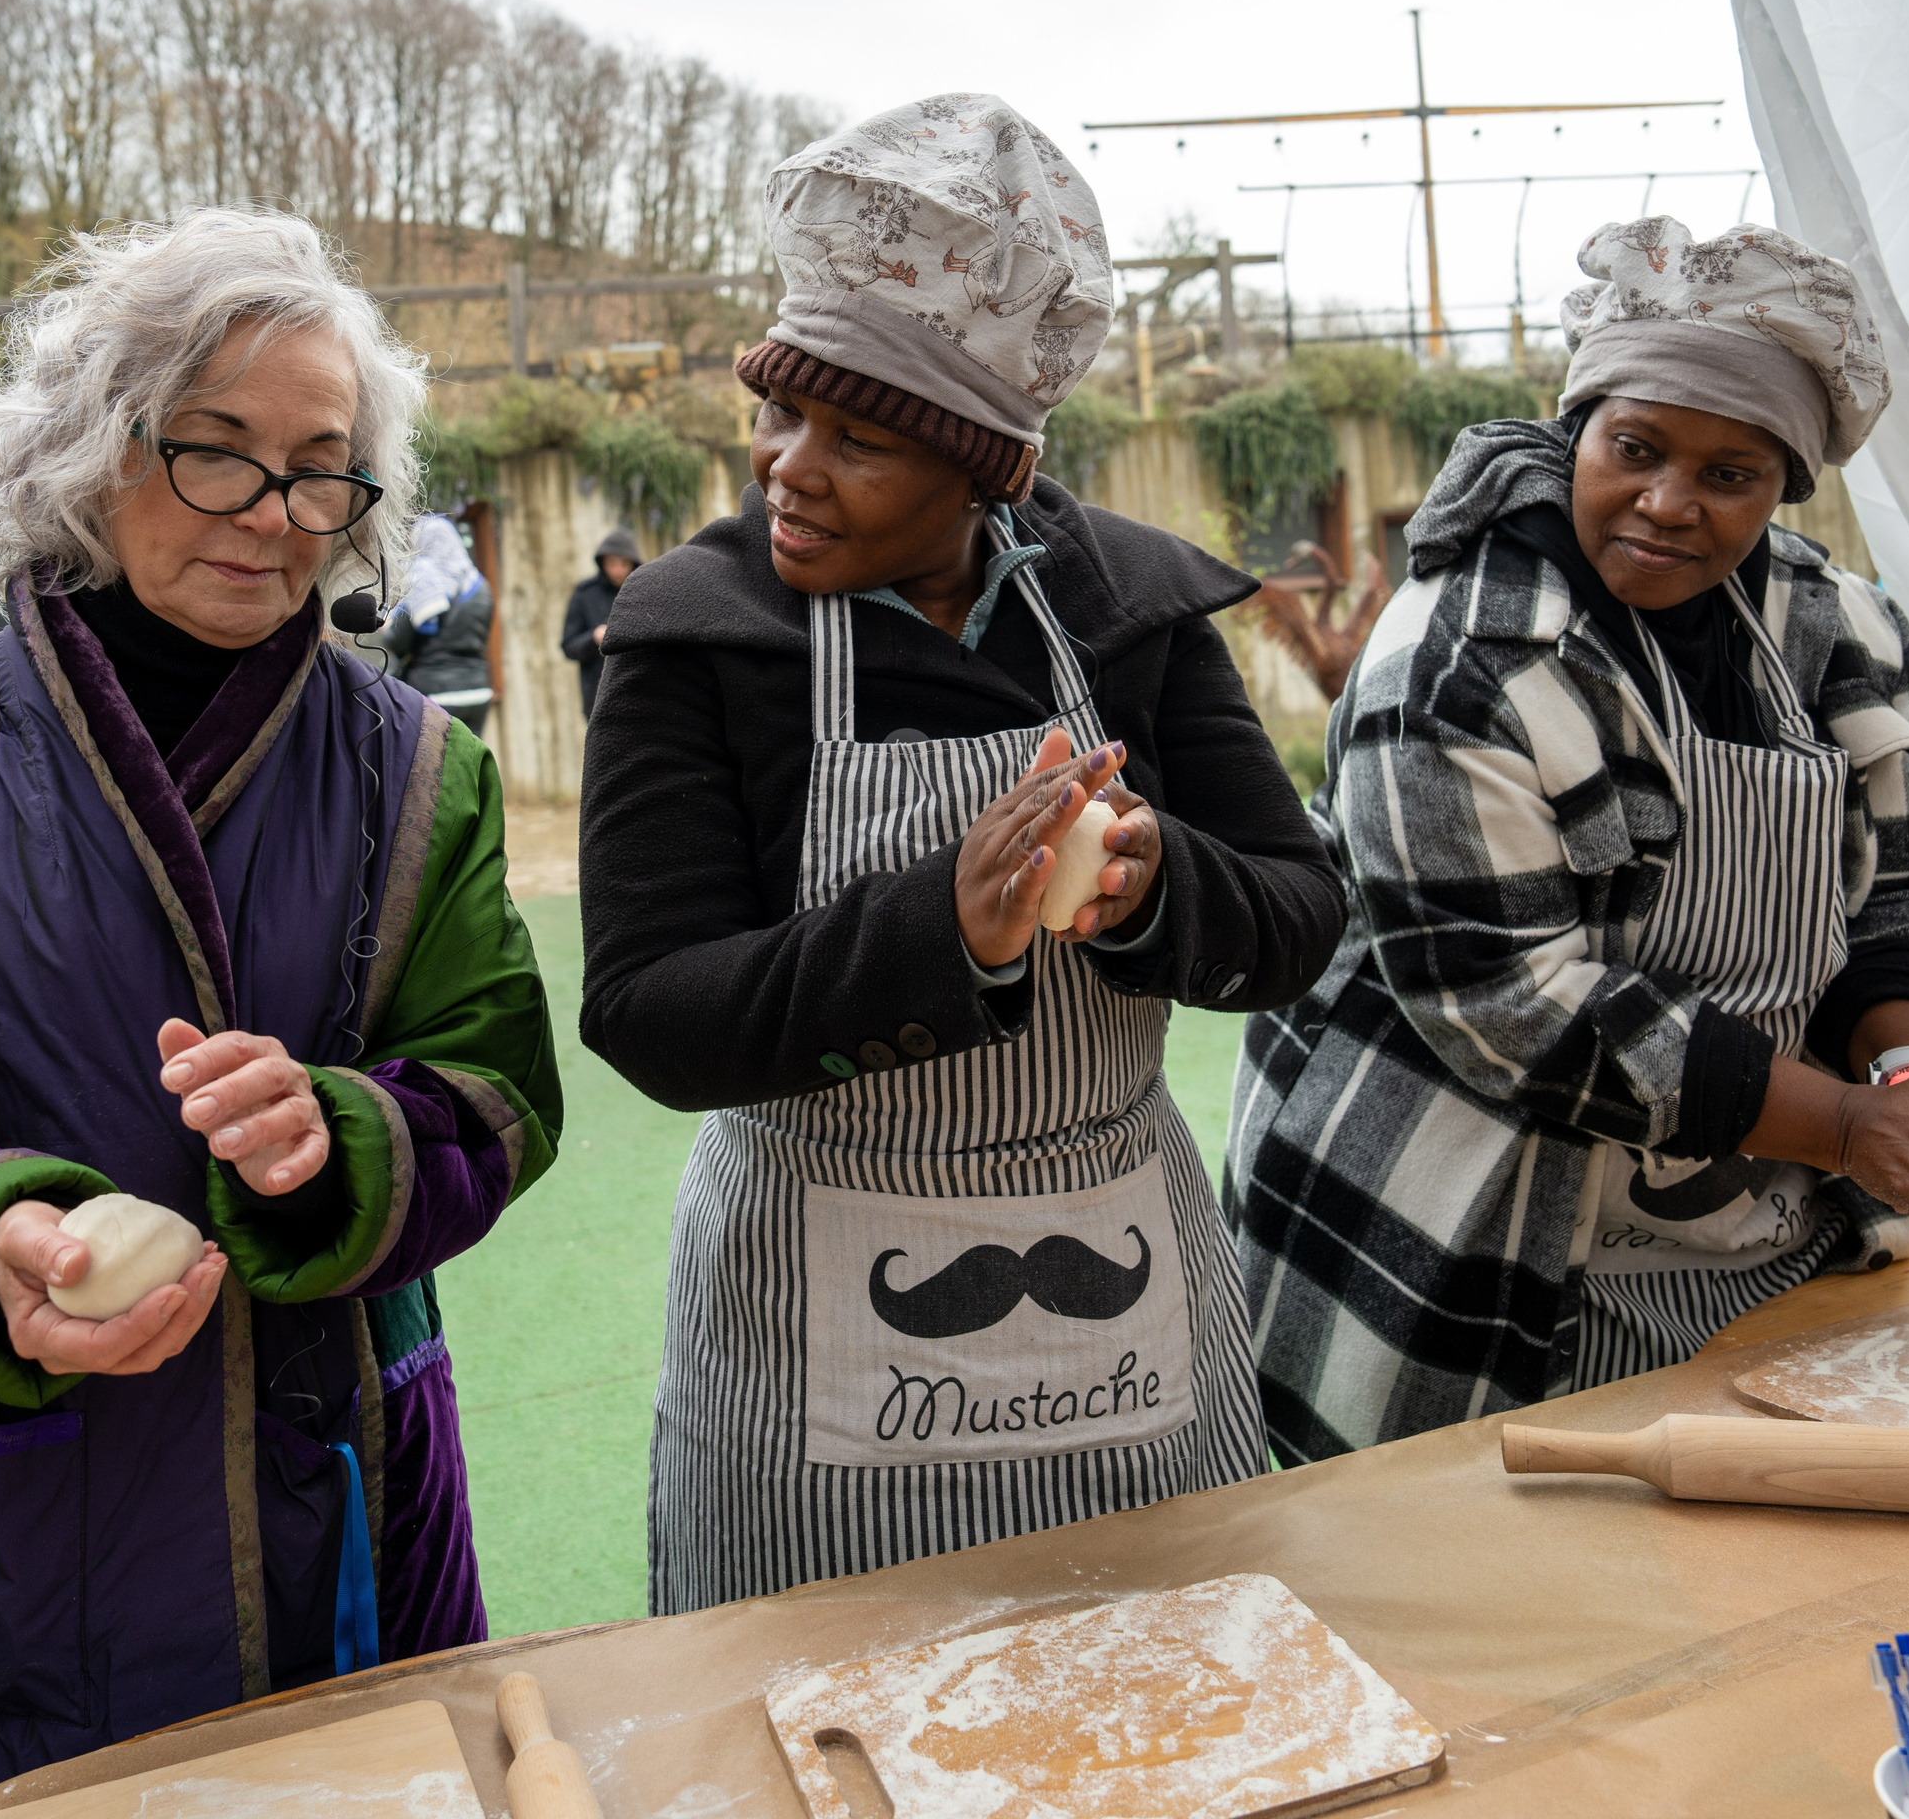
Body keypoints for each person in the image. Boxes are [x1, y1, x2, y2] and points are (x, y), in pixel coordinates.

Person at [0, 208, 563, 1817]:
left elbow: (494, 1089)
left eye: (320, 468)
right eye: (214, 452)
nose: (275, 515)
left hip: (324, 1469)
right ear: (88, 450)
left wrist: (342, 1134)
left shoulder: (422, 770)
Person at [577, 95, 1347, 1615]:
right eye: (781, 412)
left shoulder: (1131, 610)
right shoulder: (694, 636)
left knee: (1162, 1684)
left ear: (983, 465)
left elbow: (1303, 916)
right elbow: (650, 1010)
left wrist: (1153, 883)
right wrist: (942, 929)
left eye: (857, 439)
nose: (789, 467)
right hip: (809, 1318)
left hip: (1120, 1294)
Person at [1224, 218, 1909, 1465]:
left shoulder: (1833, 622)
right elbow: (1512, 1003)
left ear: (1785, 485)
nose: (1669, 504)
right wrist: (1850, 1129)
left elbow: (1906, 897)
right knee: (1477, 1573)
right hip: (1473, 1220)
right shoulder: (1459, 654)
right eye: (1634, 450)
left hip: (1756, 1217)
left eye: (1731, 474)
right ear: (1576, 425)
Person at [380, 510, 495, 734]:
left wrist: (388, 627)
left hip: (434, 693)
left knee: (432, 767)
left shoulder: (423, 582)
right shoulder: (480, 585)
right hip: (478, 691)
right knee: (469, 764)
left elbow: (398, 641)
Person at [559, 527, 639, 716]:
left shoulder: (644, 590)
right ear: (602, 562)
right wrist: (593, 638)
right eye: (612, 563)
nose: (618, 570)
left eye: (623, 563)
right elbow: (568, 646)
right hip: (598, 699)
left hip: (640, 693)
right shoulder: (584, 594)